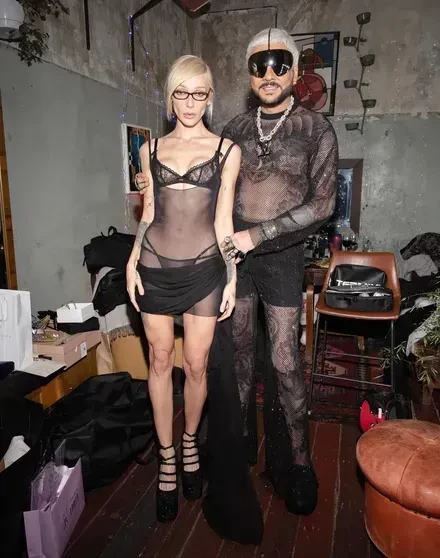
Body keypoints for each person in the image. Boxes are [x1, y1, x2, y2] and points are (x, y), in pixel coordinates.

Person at [128, 55, 263, 543]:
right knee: (160, 360)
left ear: (210, 97)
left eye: (199, 93)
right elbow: (148, 214)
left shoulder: (227, 150)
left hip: (207, 267)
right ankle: (167, 458)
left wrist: (231, 274)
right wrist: (131, 259)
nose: (189, 102)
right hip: (155, 267)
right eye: (181, 93)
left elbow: (224, 220)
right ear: (170, 97)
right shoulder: (149, 149)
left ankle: (190, 442)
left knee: (197, 364)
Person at [220, 28, 339, 516]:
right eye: (259, 65)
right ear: (250, 74)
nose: (269, 74)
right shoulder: (233, 129)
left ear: (294, 71)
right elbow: (211, 190)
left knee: (286, 362)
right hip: (236, 259)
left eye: (279, 64)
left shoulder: (315, 129)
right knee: (240, 358)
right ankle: (242, 446)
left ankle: (299, 464)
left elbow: (323, 205)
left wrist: (260, 234)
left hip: (283, 258)